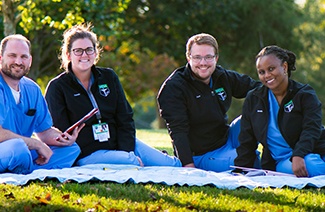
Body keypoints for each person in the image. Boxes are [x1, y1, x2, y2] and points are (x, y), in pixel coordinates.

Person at [45, 23, 181, 167]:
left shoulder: (109, 77)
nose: (84, 55)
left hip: (120, 143)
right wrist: (128, 158)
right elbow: (61, 130)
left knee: (172, 165)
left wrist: (126, 150)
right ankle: (128, 160)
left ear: (96, 53)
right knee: (132, 162)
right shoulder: (57, 87)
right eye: (78, 50)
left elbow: (125, 117)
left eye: (89, 50)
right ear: (68, 54)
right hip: (86, 153)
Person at [157, 33, 261, 172]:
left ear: (216, 58)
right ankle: (265, 166)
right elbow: (178, 131)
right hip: (202, 155)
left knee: (261, 109)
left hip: (226, 138)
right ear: (188, 58)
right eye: (197, 57)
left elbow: (258, 89)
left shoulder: (221, 76)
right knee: (249, 158)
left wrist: (291, 94)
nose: (203, 63)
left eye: (208, 57)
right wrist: (189, 166)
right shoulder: (174, 87)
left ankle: (281, 155)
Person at [234, 45, 325, 177]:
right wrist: (239, 170)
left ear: (285, 67)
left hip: (314, 149)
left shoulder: (304, 94)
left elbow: (312, 128)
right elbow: (246, 140)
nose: (267, 75)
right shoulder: (254, 99)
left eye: (271, 69)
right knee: (311, 164)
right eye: (261, 72)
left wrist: (299, 154)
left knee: (311, 160)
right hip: (284, 161)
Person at [0, 34, 82, 174]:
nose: (18, 61)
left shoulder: (32, 89)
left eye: (24, 57)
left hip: (23, 150)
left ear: (30, 60)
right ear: (1, 58)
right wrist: (36, 144)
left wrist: (62, 138)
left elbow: (44, 131)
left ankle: (27, 170)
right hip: (10, 149)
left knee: (72, 149)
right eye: (12, 55)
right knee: (18, 148)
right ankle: (31, 169)